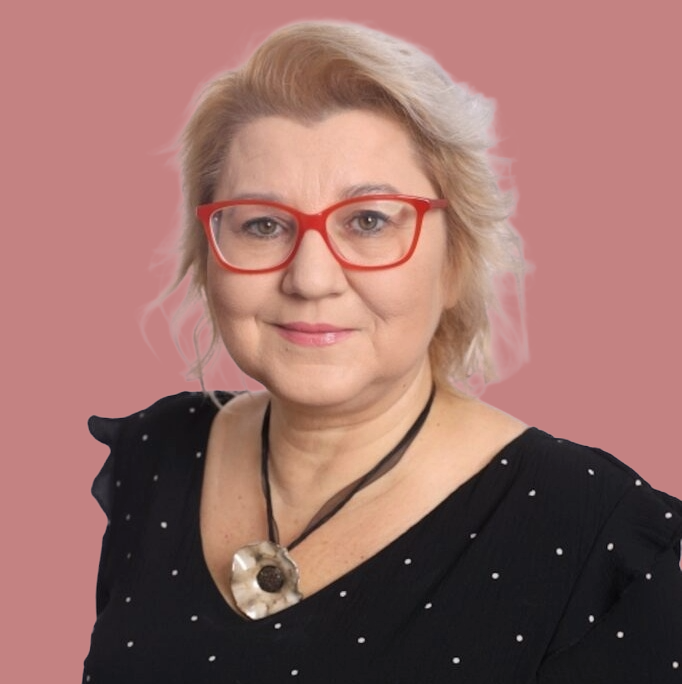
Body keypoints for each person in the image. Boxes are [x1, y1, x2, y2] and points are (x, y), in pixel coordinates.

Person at [82, 21, 682, 683]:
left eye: (369, 220)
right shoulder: (156, 456)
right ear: (209, 257)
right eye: (263, 224)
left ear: (455, 261)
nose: (310, 278)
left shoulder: (595, 533)